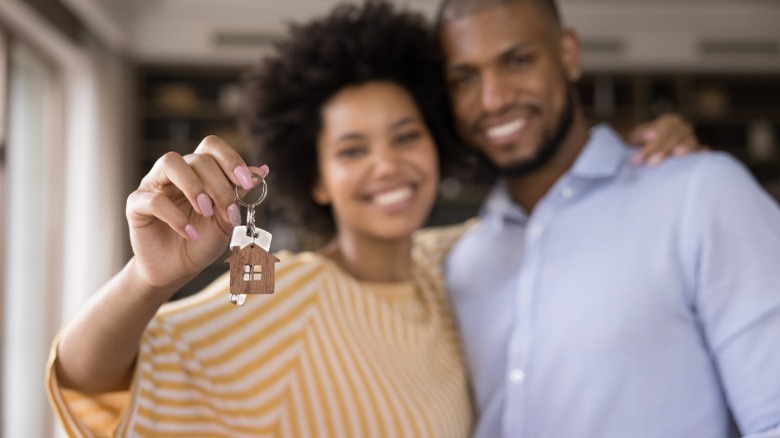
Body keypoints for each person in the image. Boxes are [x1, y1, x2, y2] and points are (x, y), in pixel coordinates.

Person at [46, 1, 701, 437]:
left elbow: (557, 214)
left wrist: (641, 151)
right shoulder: (283, 290)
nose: (388, 166)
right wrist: (146, 280)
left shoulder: (451, 261)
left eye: (405, 136)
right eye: (353, 150)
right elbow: (92, 383)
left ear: (436, 146)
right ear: (318, 179)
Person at [436, 1, 780, 437]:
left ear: (568, 54)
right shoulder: (461, 262)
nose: (494, 99)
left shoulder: (700, 196)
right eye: (465, 78)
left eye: (518, 61)